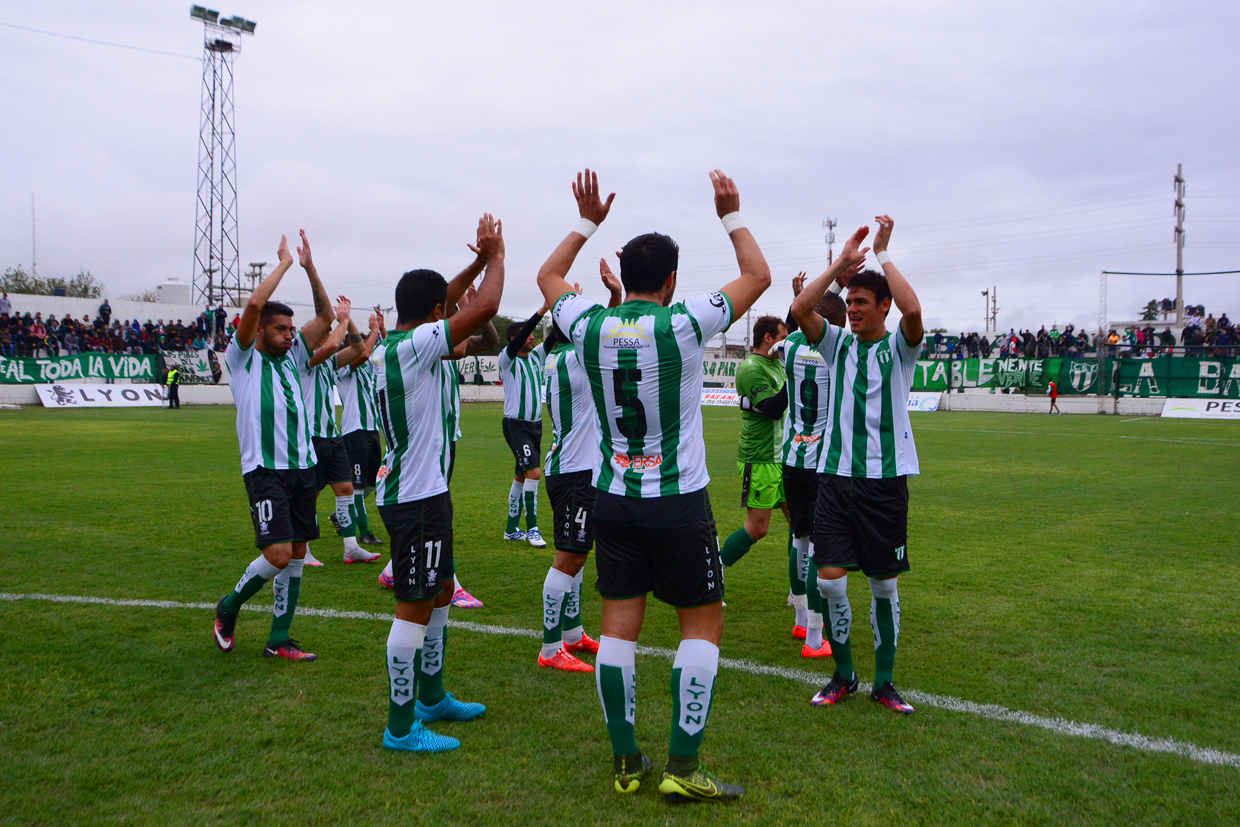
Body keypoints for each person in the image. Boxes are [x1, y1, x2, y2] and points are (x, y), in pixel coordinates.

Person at [537, 168, 771, 801]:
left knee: (617, 632)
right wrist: (731, 214)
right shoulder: (685, 323)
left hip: (613, 498)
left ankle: (625, 763)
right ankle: (684, 769)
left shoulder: (589, 325)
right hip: (677, 502)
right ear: (670, 281)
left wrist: (587, 222)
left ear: (627, 272)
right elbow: (758, 276)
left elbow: (547, 278)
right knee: (701, 627)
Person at [374, 214, 504, 755]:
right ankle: (401, 727)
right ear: (432, 317)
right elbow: (484, 308)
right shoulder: (413, 348)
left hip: (425, 492)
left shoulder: (402, 343)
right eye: (442, 311)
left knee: (442, 589)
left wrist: (474, 262)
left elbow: (451, 302)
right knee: (415, 605)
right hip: (415, 498)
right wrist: (496, 258)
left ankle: (431, 697)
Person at [790, 215, 923, 716]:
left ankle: (884, 681)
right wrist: (841, 264)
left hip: (885, 483)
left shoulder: (899, 348)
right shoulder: (836, 344)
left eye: (862, 303)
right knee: (828, 581)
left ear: (882, 305)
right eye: (850, 304)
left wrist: (884, 256)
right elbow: (801, 307)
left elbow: (913, 310)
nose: (853, 311)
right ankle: (843, 674)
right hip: (835, 481)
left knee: (883, 585)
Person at [212, 233, 335, 662]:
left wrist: (309, 268)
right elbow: (250, 307)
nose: (288, 336)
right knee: (279, 553)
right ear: (259, 331)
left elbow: (326, 315)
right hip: (265, 470)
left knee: (298, 553)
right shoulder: (243, 359)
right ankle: (229, 606)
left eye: (290, 329)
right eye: (280, 329)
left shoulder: (297, 355)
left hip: (304, 468)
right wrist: (282, 264)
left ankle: (278, 639)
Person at [536, 267, 622, 673]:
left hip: (568, 465)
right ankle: (551, 647)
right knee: (569, 556)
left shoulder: (555, 356)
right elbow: (605, 335)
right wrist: (616, 295)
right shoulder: (574, 359)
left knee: (578, 553)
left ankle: (571, 634)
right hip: (574, 469)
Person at [289, 234, 382, 567]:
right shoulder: (303, 360)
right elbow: (330, 345)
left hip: (332, 437)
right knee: (308, 495)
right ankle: (305, 548)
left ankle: (350, 546)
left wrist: (351, 319)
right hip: (310, 438)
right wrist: (342, 320)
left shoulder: (326, 362)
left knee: (345, 490)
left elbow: (358, 349)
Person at [782, 270, 852, 657]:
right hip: (825, 461)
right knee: (821, 551)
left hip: (792, 455)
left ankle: (798, 622)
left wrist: (823, 293)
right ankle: (814, 637)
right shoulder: (838, 350)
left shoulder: (789, 345)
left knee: (799, 539)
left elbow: (801, 317)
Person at [498, 301, 551, 547]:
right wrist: (541, 311)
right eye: (528, 335)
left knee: (521, 475)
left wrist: (562, 308)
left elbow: (554, 339)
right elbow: (522, 336)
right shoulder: (507, 359)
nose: (532, 338)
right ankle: (532, 529)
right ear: (514, 339)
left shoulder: (535, 358)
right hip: (516, 425)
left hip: (536, 426)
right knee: (534, 472)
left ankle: (511, 528)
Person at [335, 309, 385, 549]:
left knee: (375, 481)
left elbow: (378, 353)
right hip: (354, 431)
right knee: (356, 485)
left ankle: (340, 514)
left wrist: (380, 330)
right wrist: (373, 329)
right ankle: (364, 532)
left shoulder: (369, 367)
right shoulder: (345, 368)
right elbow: (364, 354)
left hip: (372, 429)